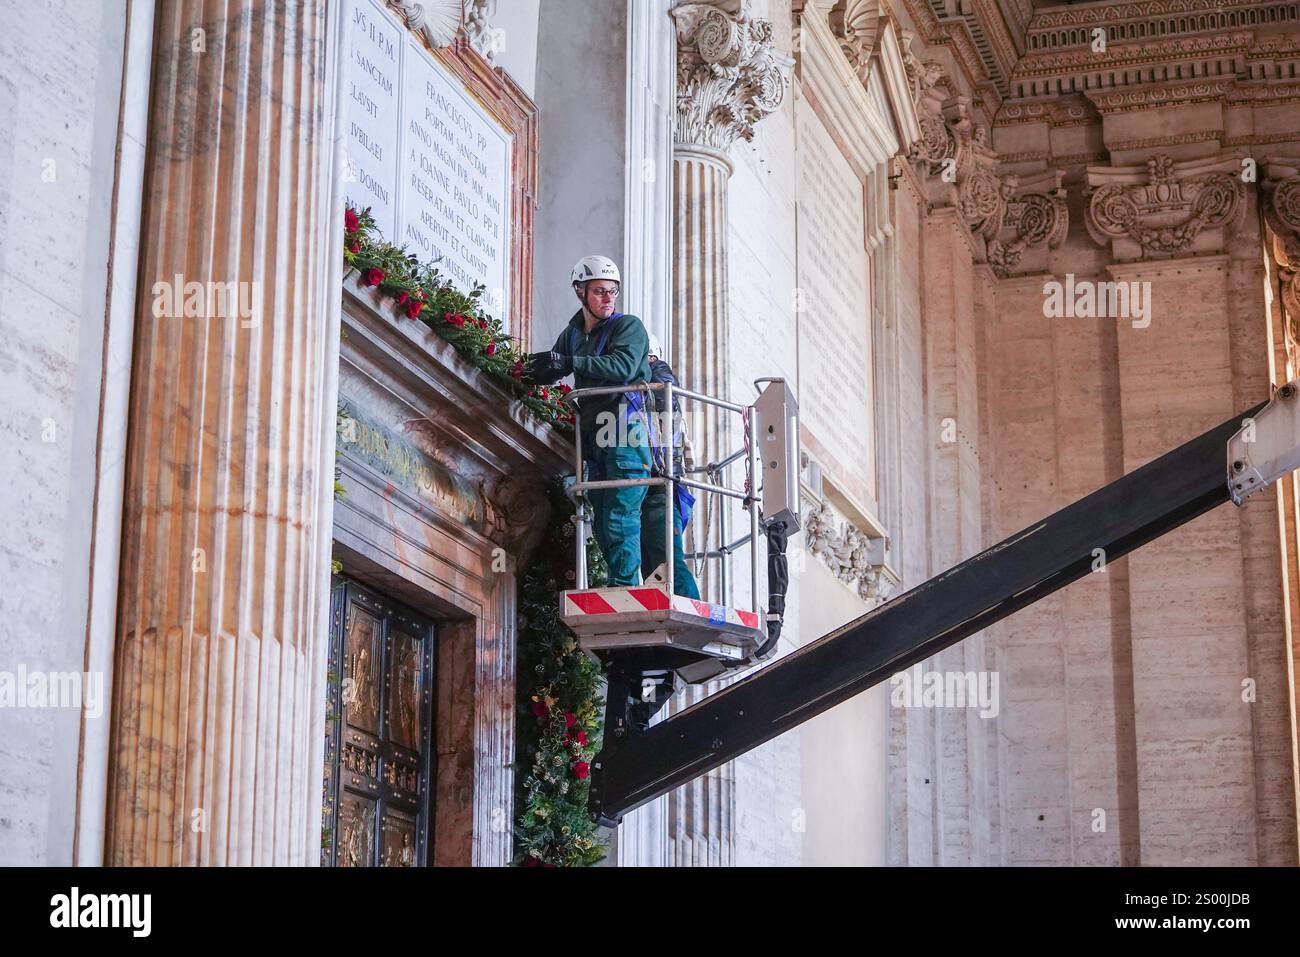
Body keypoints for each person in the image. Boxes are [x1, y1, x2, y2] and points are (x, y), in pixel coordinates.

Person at [525, 256, 696, 598]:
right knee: (604, 524)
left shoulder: (628, 327)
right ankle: (632, 591)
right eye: (600, 291)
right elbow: (557, 366)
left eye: (612, 292)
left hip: (624, 432)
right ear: (580, 292)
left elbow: (623, 366)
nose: (608, 298)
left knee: (622, 517)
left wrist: (568, 363)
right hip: (598, 442)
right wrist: (531, 371)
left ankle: (627, 594)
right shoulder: (573, 335)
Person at [641, 333, 699, 600]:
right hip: (655, 486)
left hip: (661, 487)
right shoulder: (655, 378)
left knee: (668, 559)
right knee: (655, 565)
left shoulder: (659, 375)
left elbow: (663, 394)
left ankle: (693, 606)